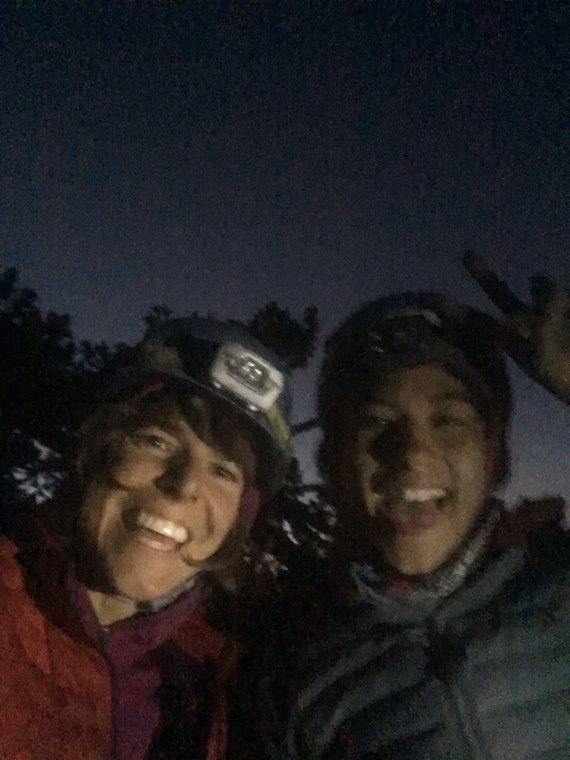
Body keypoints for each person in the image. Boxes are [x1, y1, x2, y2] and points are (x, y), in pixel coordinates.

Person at [251, 272, 569, 759]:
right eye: (376, 422)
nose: (413, 454)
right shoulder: (292, 675)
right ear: (336, 461)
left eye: (448, 420)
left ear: (493, 453)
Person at [0, 316, 293, 759]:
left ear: (237, 520)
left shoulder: (232, 684)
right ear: (101, 448)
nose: (184, 485)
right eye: (157, 441)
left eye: (223, 471)